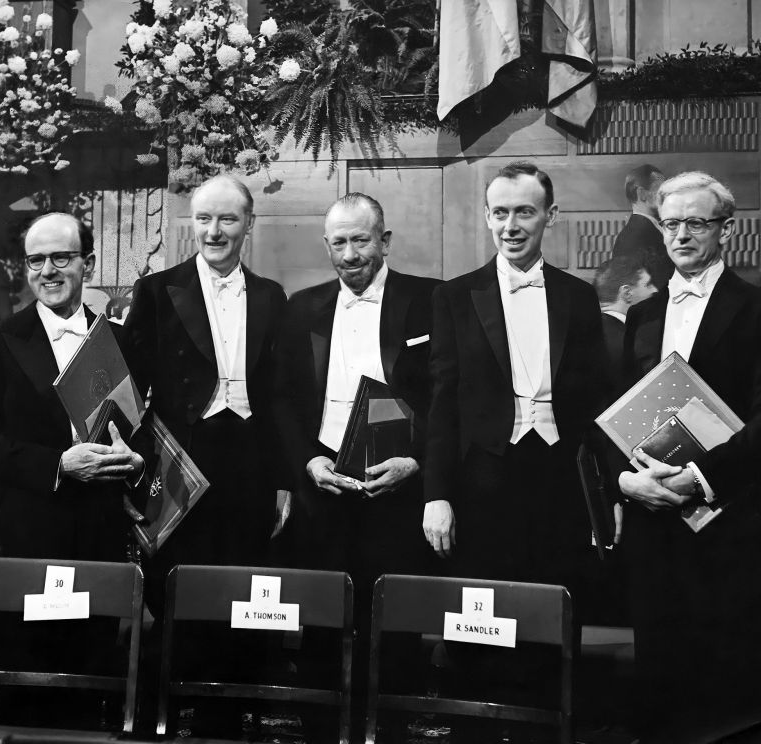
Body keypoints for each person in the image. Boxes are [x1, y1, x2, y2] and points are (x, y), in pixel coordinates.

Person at [420, 162, 607, 737]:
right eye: (499, 212)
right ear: (486, 217)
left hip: (559, 479)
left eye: (524, 211)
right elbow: (441, 405)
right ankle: (476, 727)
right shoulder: (455, 296)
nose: (511, 225)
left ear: (551, 215)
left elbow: (596, 404)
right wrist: (436, 496)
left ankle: (545, 730)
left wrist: (604, 496)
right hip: (482, 480)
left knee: (553, 616)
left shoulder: (579, 297)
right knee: (480, 619)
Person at [0, 212, 143, 727]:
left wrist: (136, 460)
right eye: (36, 260)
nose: (47, 271)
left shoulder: (121, 340)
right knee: (21, 692)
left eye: (61, 257)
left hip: (99, 537)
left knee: (90, 689)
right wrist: (57, 464)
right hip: (23, 536)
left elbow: (141, 431)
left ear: (89, 263)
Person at [122, 174, 286, 737]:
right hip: (180, 462)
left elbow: (281, 397)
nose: (214, 231)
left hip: (250, 466)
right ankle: (163, 718)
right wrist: (129, 469)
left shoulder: (271, 296)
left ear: (249, 225)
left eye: (228, 219)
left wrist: (283, 481)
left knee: (239, 594)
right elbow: (128, 388)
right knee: (174, 592)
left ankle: (225, 720)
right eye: (204, 219)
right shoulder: (157, 291)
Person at [274, 192, 439, 741]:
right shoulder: (301, 306)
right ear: (326, 245)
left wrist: (415, 462)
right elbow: (283, 399)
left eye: (361, 240)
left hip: (397, 484)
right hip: (324, 484)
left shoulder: (429, 301)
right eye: (339, 242)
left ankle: (389, 726)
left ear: (384, 241)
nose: (349, 255)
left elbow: (447, 397)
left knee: (394, 619)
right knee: (321, 615)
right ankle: (320, 725)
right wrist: (308, 461)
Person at [617, 172, 761, 738]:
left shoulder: (755, 308)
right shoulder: (643, 314)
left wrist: (699, 477)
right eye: (671, 223)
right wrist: (624, 482)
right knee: (659, 678)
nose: (681, 235)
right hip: (652, 518)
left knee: (725, 694)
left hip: (730, 519)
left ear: (726, 229)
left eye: (696, 223)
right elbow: (615, 415)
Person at [593, 255, 657, 387]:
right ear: (627, 293)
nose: (655, 290)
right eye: (648, 284)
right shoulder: (637, 344)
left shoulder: (577, 335)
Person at [612, 164, 670, 292]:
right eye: (661, 192)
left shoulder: (650, 229)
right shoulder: (633, 237)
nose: (667, 197)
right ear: (642, 193)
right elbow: (634, 290)